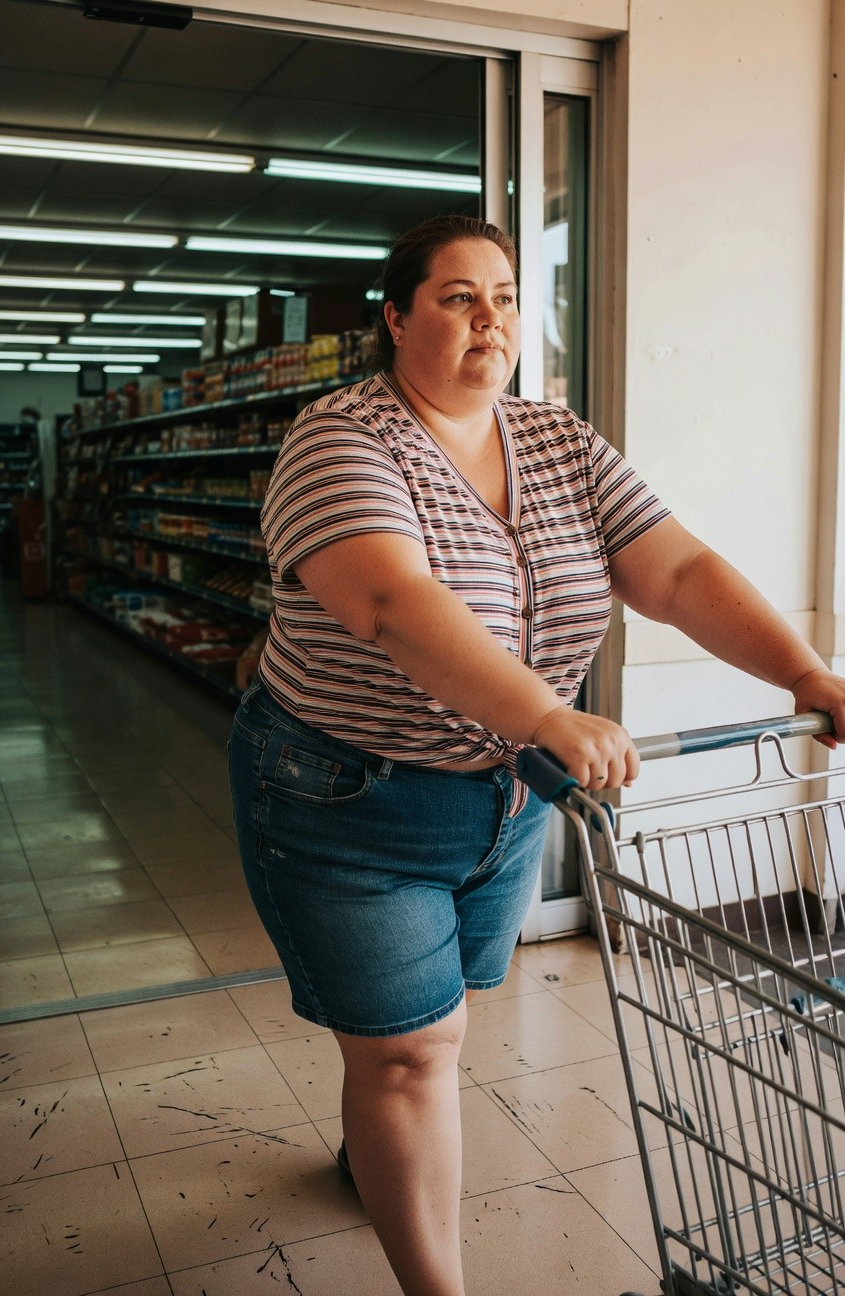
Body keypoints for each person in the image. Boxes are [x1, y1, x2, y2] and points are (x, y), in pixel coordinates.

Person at [228, 214, 845, 1296]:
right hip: (344, 795)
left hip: (506, 808)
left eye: (505, 296)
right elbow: (389, 601)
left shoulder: (558, 439)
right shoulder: (339, 438)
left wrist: (805, 673)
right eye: (459, 297)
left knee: (424, 1029)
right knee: (414, 1050)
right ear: (396, 317)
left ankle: (371, 1144)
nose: (490, 318)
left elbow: (677, 572)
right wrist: (547, 717)